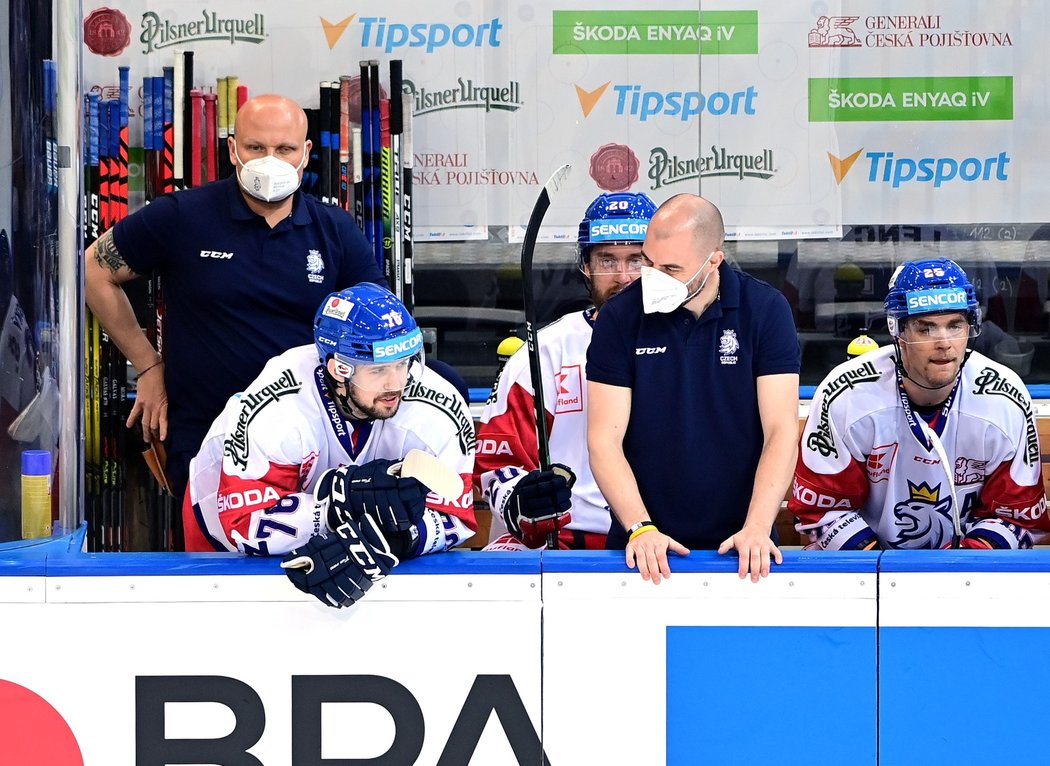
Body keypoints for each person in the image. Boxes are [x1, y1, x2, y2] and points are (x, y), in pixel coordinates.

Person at [84, 93, 383, 511]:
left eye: (285, 149)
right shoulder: (184, 215)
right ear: (232, 149)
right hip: (207, 442)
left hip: (311, 448)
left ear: (306, 153)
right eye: (256, 148)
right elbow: (95, 270)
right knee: (214, 572)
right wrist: (148, 365)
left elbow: (380, 325)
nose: (270, 160)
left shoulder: (334, 230)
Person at [183, 283, 476, 607]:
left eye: (403, 362)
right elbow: (243, 522)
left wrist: (394, 540)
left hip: (313, 513)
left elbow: (456, 514)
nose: (396, 383)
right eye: (378, 369)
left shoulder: (438, 409)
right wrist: (337, 509)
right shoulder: (278, 409)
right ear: (339, 369)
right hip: (219, 513)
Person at [586, 194, 801, 584]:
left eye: (670, 267)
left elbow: (781, 430)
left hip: (743, 549)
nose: (652, 276)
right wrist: (640, 526)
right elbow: (604, 439)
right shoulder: (620, 317)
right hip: (642, 550)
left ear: (713, 261)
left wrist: (757, 525)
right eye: (647, 262)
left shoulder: (765, 310)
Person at [790, 258, 1048, 550]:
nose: (945, 342)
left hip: (967, 577)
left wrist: (956, 574)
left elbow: (1017, 515)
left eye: (955, 325)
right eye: (926, 329)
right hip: (868, 574)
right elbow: (825, 509)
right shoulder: (846, 394)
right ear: (898, 332)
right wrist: (885, 575)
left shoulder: (1004, 398)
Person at [476, 192, 656, 550]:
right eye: (607, 260)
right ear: (585, 266)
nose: (623, 277)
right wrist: (522, 501)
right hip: (566, 543)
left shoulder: (691, 343)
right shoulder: (546, 352)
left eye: (636, 260)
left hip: (665, 540)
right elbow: (496, 463)